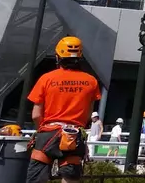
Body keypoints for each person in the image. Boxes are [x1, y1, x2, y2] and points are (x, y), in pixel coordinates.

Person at [26, 36, 101, 183]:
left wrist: (41, 131)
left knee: (36, 177)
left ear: (58, 57)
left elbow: (36, 115)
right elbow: (87, 114)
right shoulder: (91, 81)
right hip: (73, 135)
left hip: (48, 133)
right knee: (70, 177)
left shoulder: (46, 79)